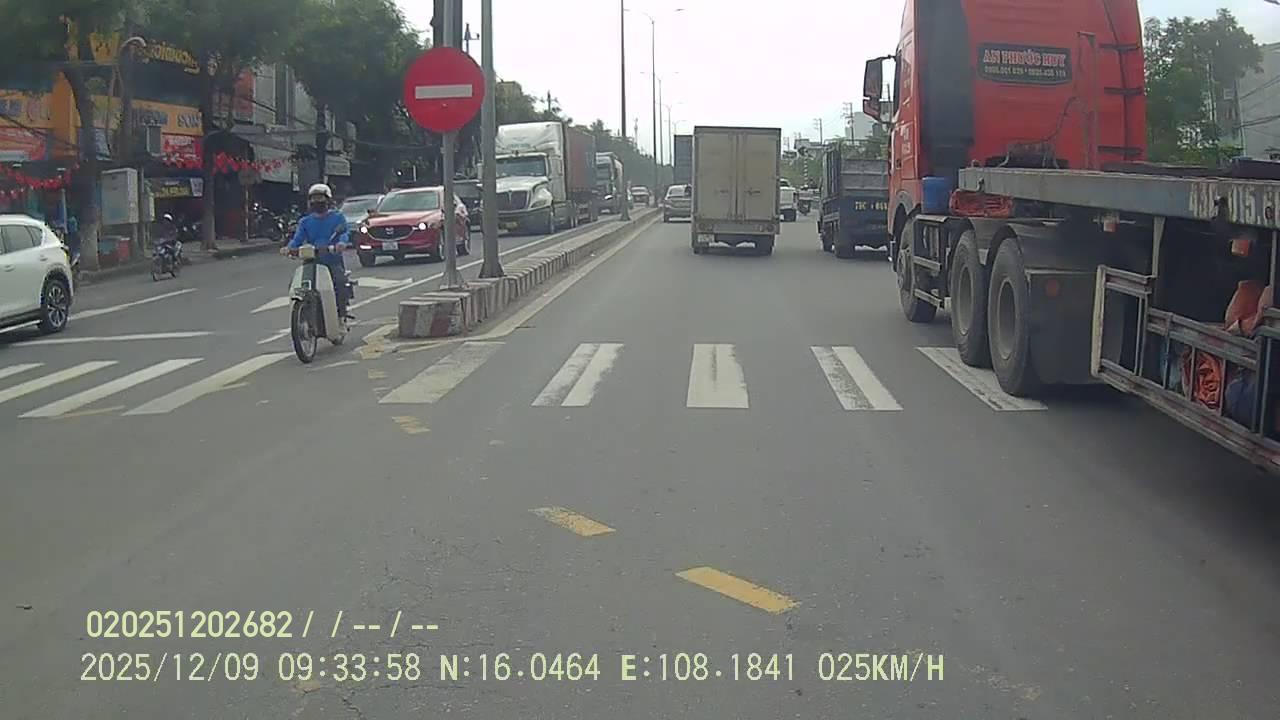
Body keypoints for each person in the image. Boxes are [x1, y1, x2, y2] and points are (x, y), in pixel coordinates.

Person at [285, 183, 353, 319]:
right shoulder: (305, 222)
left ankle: (340, 314)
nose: (317, 202)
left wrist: (341, 244)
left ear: (328, 200)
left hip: (332, 261)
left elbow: (344, 233)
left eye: (320, 198)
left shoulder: (337, 217)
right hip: (311, 261)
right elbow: (297, 239)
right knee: (295, 285)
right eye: (314, 199)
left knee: (340, 283)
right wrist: (289, 248)